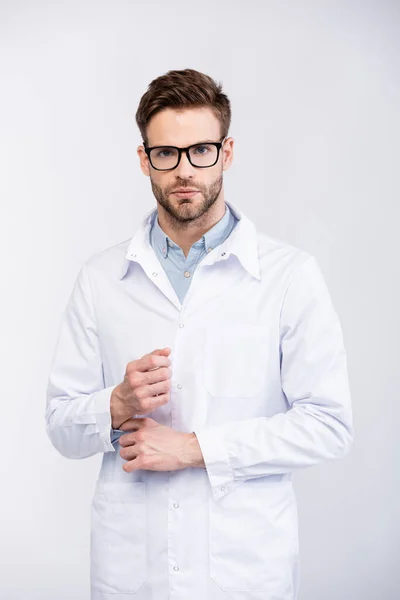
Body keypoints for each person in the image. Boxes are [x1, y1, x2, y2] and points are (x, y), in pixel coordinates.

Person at [45, 68, 354, 600]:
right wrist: (116, 403)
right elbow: (60, 426)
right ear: (144, 159)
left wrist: (194, 449)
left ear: (227, 152)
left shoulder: (288, 276)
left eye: (201, 151)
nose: (185, 170)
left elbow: (328, 425)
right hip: (131, 570)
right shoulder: (100, 279)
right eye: (166, 154)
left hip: (243, 570)